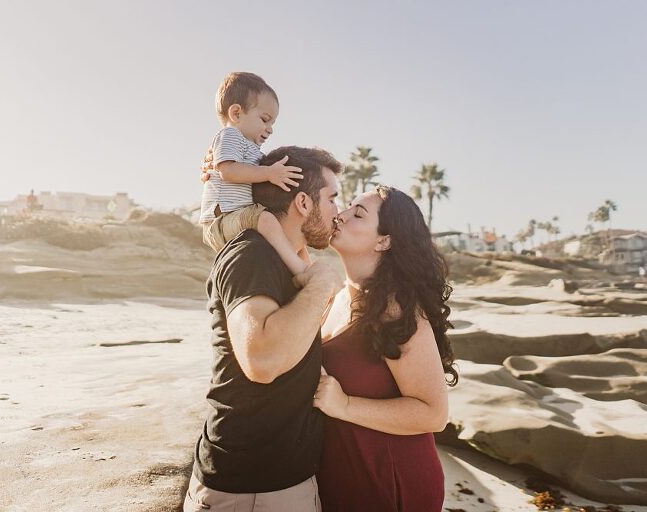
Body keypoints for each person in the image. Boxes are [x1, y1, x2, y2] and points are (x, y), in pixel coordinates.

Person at [184, 146, 343, 512]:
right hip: (251, 489)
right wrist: (320, 284)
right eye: (332, 198)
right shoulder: (252, 254)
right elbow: (262, 358)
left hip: (278, 482)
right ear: (303, 202)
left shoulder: (286, 261)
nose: (339, 211)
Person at [314, 185, 458, 512]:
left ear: (384, 240)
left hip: (390, 481)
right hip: (342, 474)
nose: (341, 215)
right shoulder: (336, 296)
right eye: (347, 206)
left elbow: (434, 414)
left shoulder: (395, 308)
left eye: (358, 214)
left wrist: (346, 405)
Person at [198, 71, 310, 275]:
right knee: (267, 220)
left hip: (239, 217)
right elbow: (228, 171)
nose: (270, 129)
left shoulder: (251, 150)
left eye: (272, 124)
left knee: (287, 230)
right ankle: (299, 270)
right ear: (236, 114)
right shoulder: (230, 135)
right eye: (265, 120)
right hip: (220, 220)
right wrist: (269, 173)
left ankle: (305, 267)